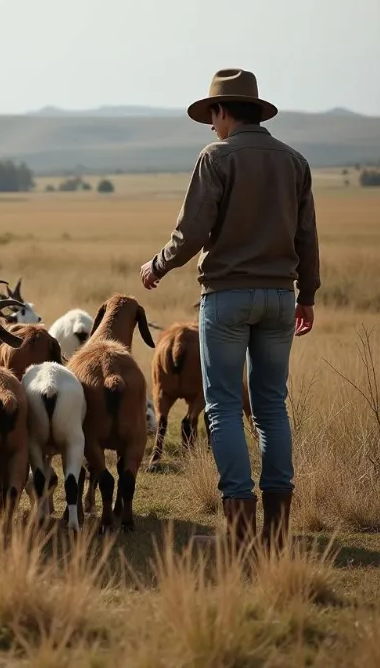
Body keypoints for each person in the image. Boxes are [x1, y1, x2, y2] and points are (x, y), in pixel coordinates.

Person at [140, 68, 320, 553]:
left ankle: (239, 529)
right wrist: (308, 295)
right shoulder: (294, 161)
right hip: (282, 298)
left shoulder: (215, 157)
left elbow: (192, 231)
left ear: (223, 111)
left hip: (226, 297)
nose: (210, 127)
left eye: (211, 117)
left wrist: (157, 265)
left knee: (220, 406)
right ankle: (276, 532)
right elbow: (307, 235)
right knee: (270, 406)